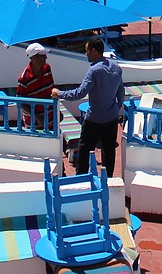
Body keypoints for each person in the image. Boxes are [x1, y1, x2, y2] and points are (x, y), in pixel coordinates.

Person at [53, 38, 125, 175]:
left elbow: (80, 93)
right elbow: (121, 91)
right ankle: (108, 180)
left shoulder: (94, 71)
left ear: (94, 51)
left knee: (84, 150)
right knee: (108, 151)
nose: (85, 54)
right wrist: (116, 108)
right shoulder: (116, 68)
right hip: (111, 118)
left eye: (87, 51)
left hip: (94, 119)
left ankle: (81, 179)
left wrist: (60, 93)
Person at [16, 42, 55, 130]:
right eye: (42, 55)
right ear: (33, 58)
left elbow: (51, 91)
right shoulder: (24, 78)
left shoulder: (47, 69)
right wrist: (37, 117)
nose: (46, 57)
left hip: (50, 118)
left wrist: (56, 111)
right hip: (34, 123)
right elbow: (21, 103)